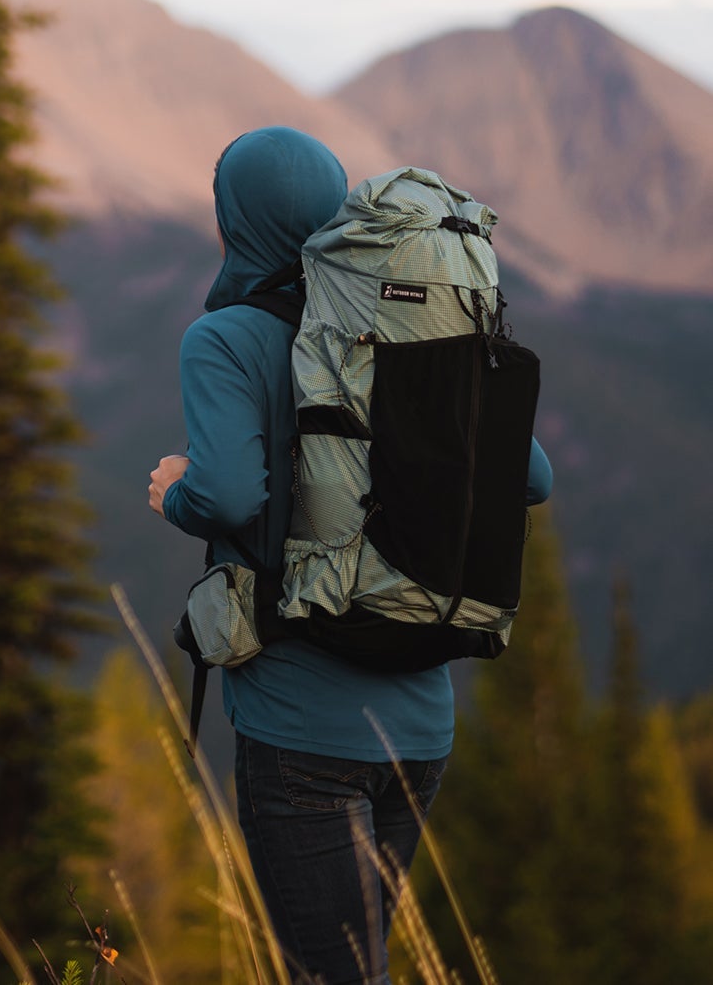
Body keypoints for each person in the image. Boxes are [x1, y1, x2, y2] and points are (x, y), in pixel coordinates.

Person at [148, 126, 553, 985]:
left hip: (300, 731)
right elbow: (534, 476)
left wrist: (175, 490)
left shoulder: (224, 341)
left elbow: (226, 496)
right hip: (420, 724)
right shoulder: (409, 331)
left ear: (236, 222)